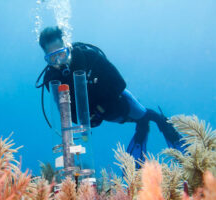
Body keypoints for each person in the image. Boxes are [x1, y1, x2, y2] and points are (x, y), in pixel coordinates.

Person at [35, 26, 185, 165]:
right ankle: (142, 128)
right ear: (46, 59)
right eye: (53, 58)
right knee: (131, 118)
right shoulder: (52, 78)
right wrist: (86, 120)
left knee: (142, 115)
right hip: (96, 114)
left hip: (116, 101)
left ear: (67, 47)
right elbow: (64, 111)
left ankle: (161, 124)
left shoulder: (88, 56)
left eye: (61, 54)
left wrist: (100, 110)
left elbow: (119, 83)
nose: (59, 62)